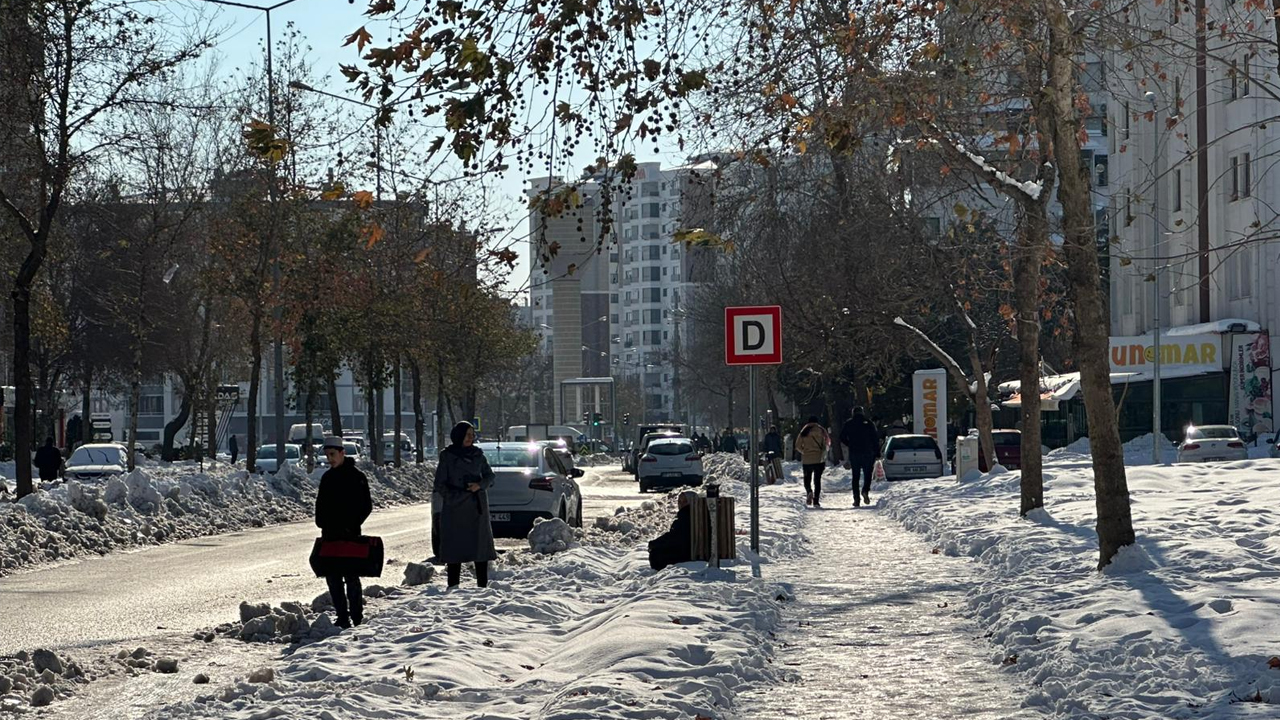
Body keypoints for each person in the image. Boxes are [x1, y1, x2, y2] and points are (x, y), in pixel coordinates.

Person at [316, 436, 373, 628]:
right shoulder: (327, 478)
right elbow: (320, 505)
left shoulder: (357, 477)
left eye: (332, 454)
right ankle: (342, 616)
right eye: (327, 455)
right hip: (330, 535)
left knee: (351, 576)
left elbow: (366, 505)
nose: (330, 459)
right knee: (333, 578)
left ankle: (356, 616)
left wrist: (352, 524)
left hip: (350, 535)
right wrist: (321, 522)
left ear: (342, 453)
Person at [435, 421, 497, 588]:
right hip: (455, 508)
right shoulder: (448, 456)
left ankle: (482, 588)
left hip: (476, 507)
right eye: (467, 434)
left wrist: (479, 485)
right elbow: (439, 483)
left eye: (472, 434)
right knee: (455, 549)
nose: (471, 438)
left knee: (479, 548)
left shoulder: (477, 454)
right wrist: (454, 496)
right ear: (459, 436)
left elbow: (490, 476)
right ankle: (453, 588)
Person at [840, 407, 881, 507]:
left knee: (856, 476)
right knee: (868, 474)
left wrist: (849, 444)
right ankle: (865, 490)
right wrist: (877, 452)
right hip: (867, 452)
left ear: (853, 413)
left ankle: (856, 499)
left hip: (854, 452)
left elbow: (842, 437)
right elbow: (875, 438)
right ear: (862, 412)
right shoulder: (869, 423)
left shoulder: (849, 423)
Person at [648, 490, 696, 570]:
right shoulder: (693, 514)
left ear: (692, 502)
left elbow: (674, 537)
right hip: (689, 550)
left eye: (684, 501)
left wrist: (655, 543)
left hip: (685, 553)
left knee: (656, 553)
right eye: (679, 501)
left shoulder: (685, 516)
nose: (681, 504)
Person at [796, 417, 829, 507]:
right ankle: (816, 500)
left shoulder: (804, 431)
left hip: (807, 459)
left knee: (807, 479)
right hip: (819, 459)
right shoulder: (821, 431)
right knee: (817, 480)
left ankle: (809, 491)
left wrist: (804, 451)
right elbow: (826, 444)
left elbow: (797, 445)